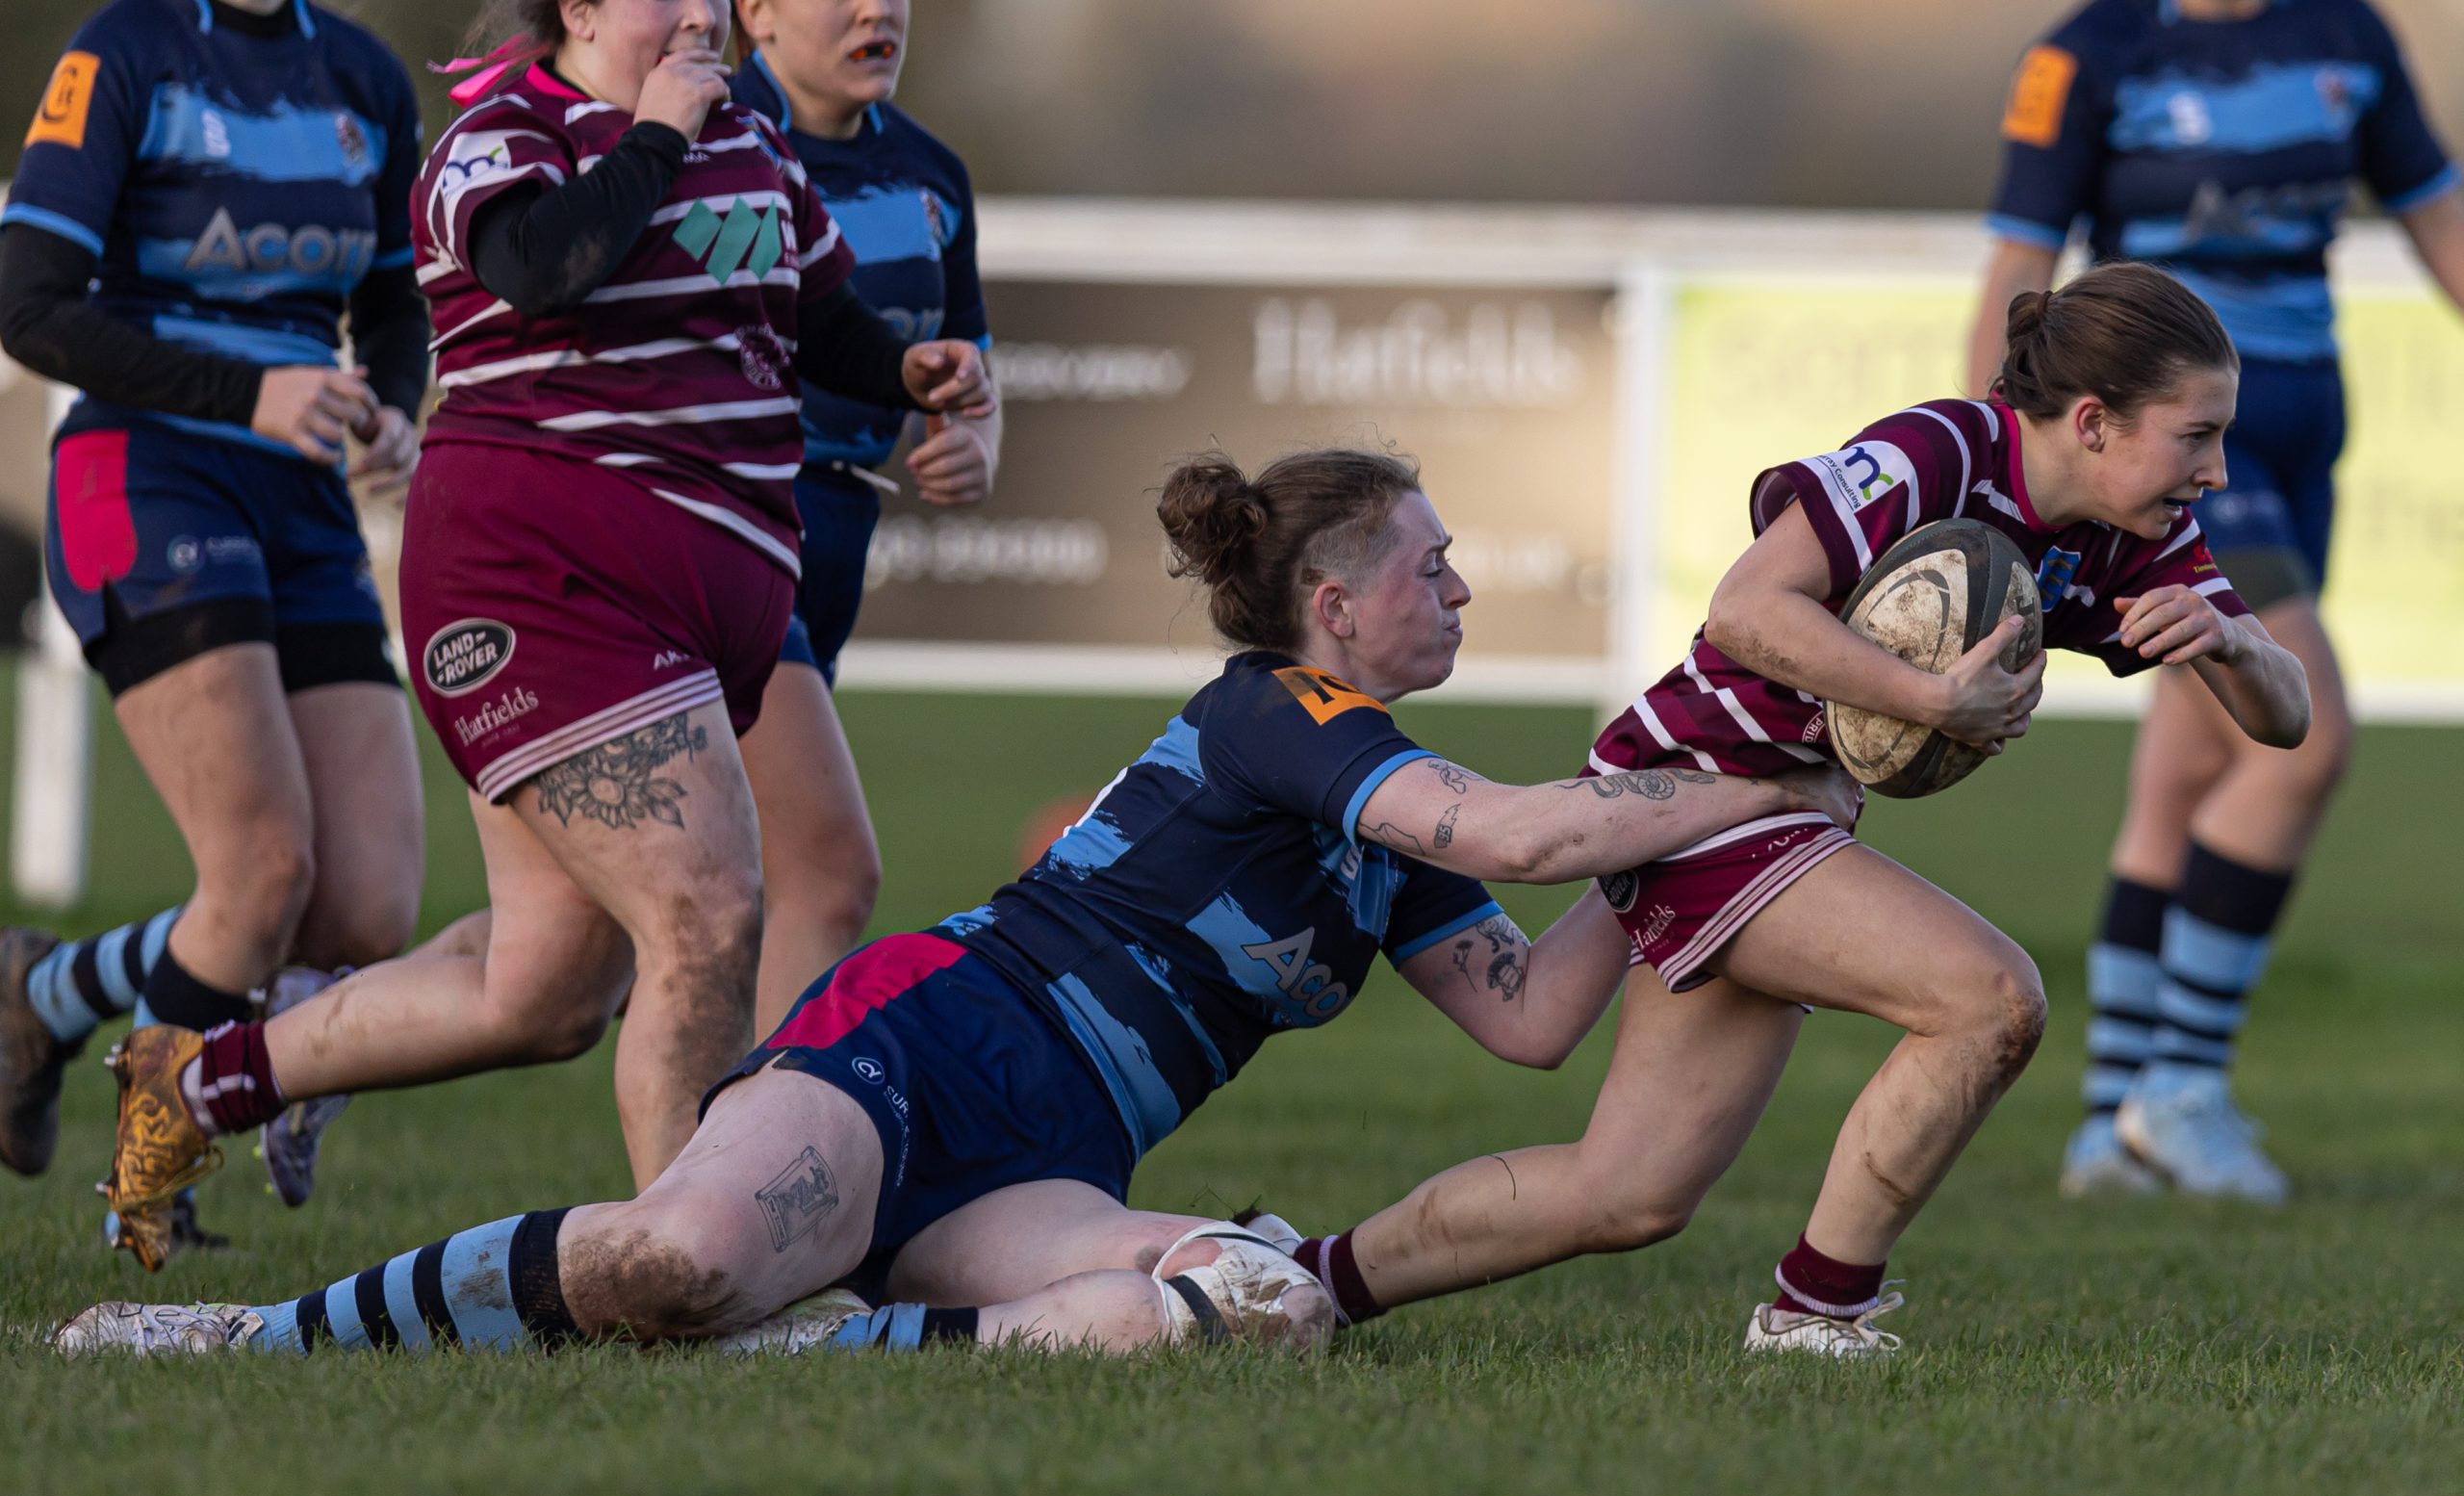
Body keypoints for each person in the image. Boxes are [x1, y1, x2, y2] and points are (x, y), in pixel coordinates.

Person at [57, 445, 1854, 1354]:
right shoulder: (1281, 711)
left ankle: (831, 1349)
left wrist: (1690, 853)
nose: (1458, 588)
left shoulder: (1395, 822)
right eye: (1430, 566)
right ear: (1331, 605)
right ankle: (244, 1332)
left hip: (1056, 1154)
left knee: (1251, 1304)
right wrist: (1744, 782)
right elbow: (1528, 835)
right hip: (924, 1045)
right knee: (675, 1259)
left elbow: (1535, 1018)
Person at [79, 0, 996, 1272]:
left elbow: (819, 313)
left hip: (688, 606)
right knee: (710, 907)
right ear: (580, 9)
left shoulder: (750, 142)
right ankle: (701, 1271)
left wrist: (906, 372)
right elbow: (541, 267)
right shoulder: (503, 135)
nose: (701, 14)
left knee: (548, 987)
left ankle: (199, 1084)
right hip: (542, 591)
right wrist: (655, 137)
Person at [1256, 264, 2311, 1359]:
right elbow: (1745, 608)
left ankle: (1292, 1280)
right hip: (1697, 787)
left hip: (1795, 818)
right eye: (2196, 436)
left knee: (1627, 1193)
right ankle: (1817, 1313)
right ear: (2092, 422)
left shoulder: (2140, 537)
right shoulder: (1940, 452)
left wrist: (2234, 643)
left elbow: (2288, 719)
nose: (2216, 469)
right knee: (1990, 1001)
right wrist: (1928, 700)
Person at [1968, 0, 2464, 1201]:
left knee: (2188, 772)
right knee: (2301, 740)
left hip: (2296, 431)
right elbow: (2019, 269)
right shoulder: (2090, 53)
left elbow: (2440, 222)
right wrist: (1993, 480)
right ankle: (2180, 1092)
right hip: (2174, 453)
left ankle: (2110, 1127)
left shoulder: (2348, 35)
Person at [0, 0, 434, 1236]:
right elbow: (28, 305)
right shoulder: (125, 52)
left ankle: (47, 991)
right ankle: (145, 1211)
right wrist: (245, 391)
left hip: (302, 496)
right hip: (147, 476)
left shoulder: (361, 74)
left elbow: (394, 300)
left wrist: (394, 403)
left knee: (363, 910)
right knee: (259, 869)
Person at [730, 0, 1000, 1025]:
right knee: (825, 873)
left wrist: (976, 439)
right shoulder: (706, 147)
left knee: (599, 943)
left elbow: (970, 360)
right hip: (726, 523)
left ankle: (321, 1015)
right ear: (755, 12)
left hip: (838, 530)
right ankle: (772, 1131)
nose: (877, 9)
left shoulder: (931, 172)